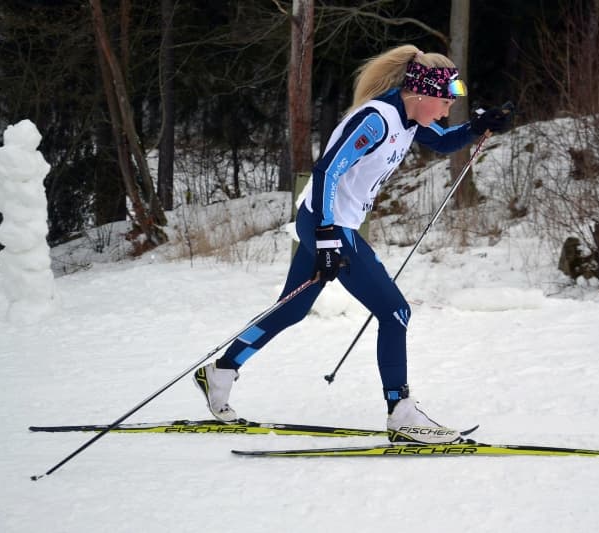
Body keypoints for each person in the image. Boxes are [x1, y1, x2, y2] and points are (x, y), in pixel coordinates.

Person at [194, 44, 513, 444]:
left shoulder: (410, 118)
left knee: (291, 310)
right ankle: (402, 414)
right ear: (423, 93)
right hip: (329, 223)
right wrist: (327, 234)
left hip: (332, 224)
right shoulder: (377, 121)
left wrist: (482, 127)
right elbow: (328, 169)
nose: (448, 110)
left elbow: (445, 142)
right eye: (446, 102)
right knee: (395, 312)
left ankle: (220, 371)